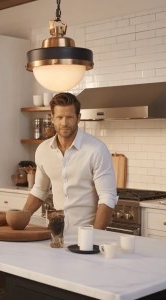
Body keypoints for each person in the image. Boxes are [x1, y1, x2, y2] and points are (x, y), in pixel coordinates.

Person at [23, 92, 117, 237]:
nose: (64, 123)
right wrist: (22, 218)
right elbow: (40, 190)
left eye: (70, 117)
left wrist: (95, 237)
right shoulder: (43, 150)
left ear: (78, 118)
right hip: (56, 233)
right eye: (59, 117)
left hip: (87, 235)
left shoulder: (96, 149)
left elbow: (107, 197)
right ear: (52, 118)